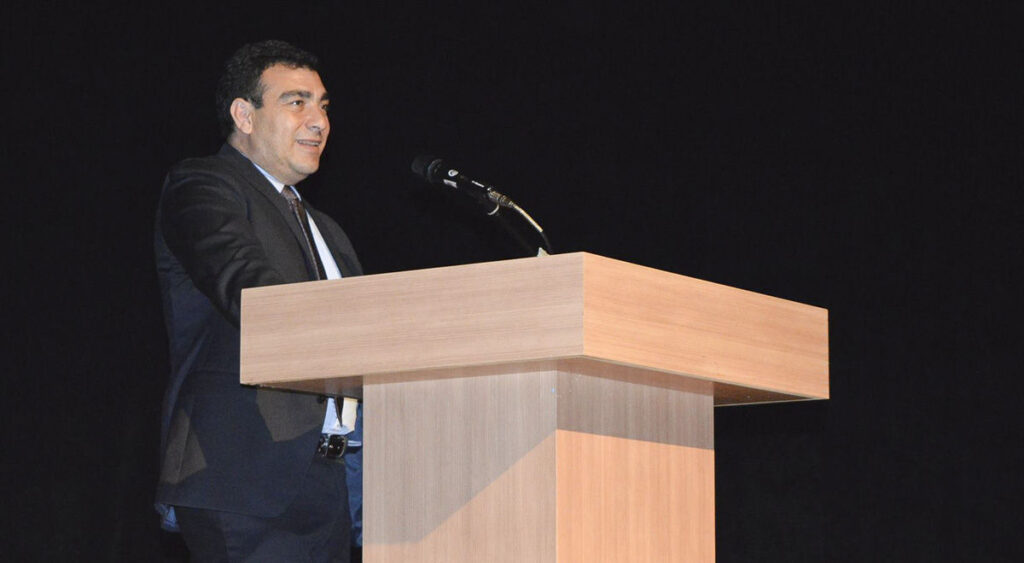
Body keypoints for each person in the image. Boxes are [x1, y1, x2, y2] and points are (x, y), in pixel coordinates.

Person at [154, 39, 362, 561]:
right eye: (296, 102)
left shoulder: (327, 229)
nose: (319, 121)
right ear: (244, 115)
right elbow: (247, 287)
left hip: (334, 483)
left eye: (323, 105)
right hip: (246, 474)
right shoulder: (204, 185)